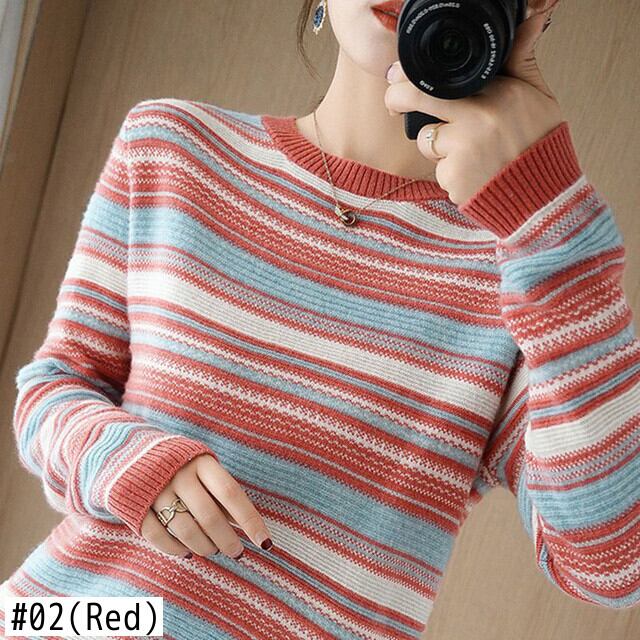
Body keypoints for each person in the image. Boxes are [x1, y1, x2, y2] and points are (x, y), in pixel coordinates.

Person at [1, 0, 638, 638]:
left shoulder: (530, 270)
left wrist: (553, 227)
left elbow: (615, 565)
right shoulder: (173, 146)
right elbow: (55, 387)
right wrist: (126, 459)